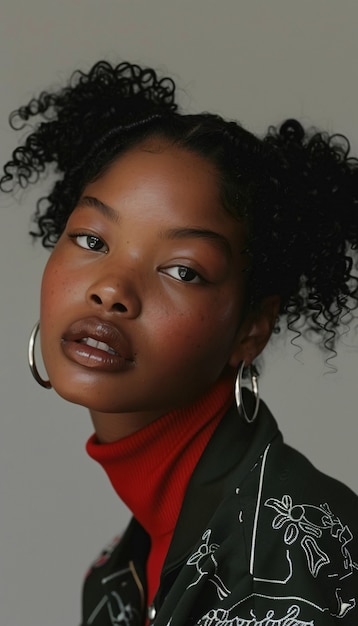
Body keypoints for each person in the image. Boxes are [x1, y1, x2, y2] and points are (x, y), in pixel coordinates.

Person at [1, 60, 358, 626]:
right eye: (92, 239)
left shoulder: (293, 554)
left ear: (251, 329)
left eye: (183, 271)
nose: (112, 289)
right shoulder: (117, 575)